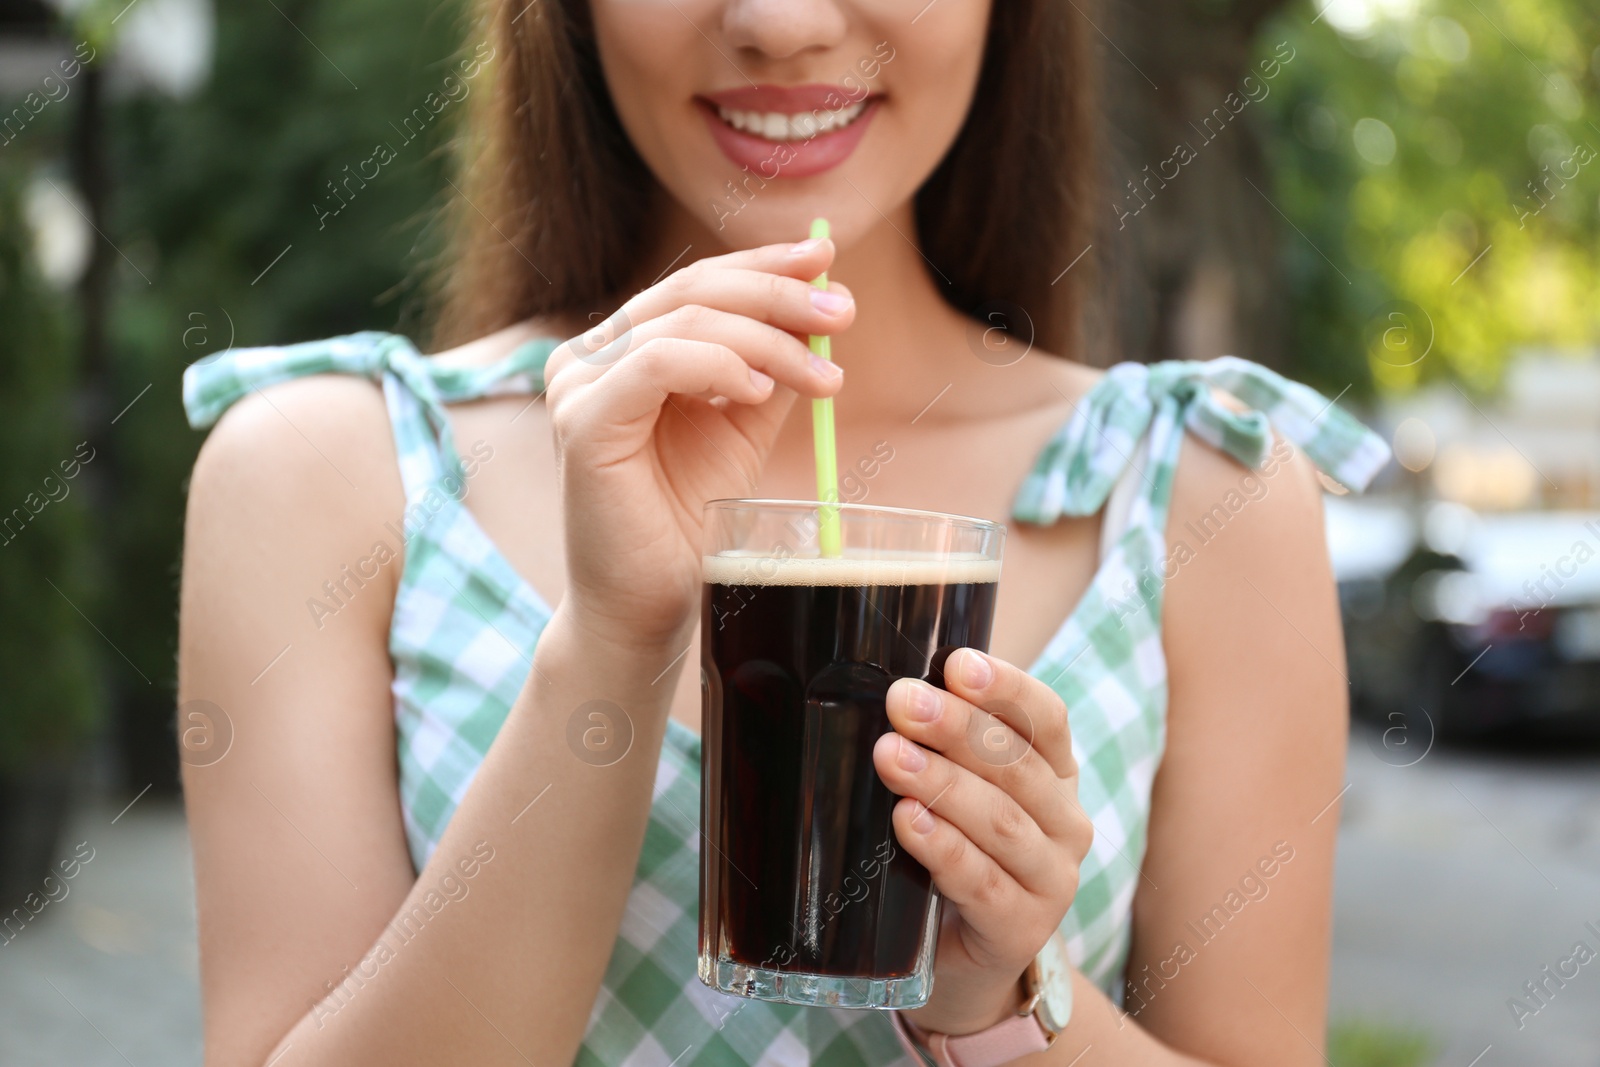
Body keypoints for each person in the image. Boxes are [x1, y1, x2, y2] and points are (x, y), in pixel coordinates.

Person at [177, 2, 1390, 1065]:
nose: (780, 21)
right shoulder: (326, 470)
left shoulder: (1202, 487)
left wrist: (995, 1003)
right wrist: (614, 640)